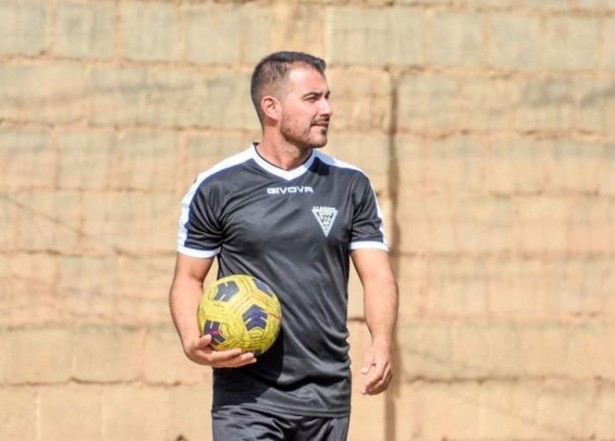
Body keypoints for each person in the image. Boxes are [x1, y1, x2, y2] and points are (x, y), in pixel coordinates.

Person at [169, 51, 399, 441]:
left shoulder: (350, 184)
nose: (327, 109)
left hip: (326, 392)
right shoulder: (216, 187)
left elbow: (377, 275)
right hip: (246, 397)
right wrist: (192, 340)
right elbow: (188, 279)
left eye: (327, 97)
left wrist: (381, 341)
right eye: (312, 99)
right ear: (271, 107)